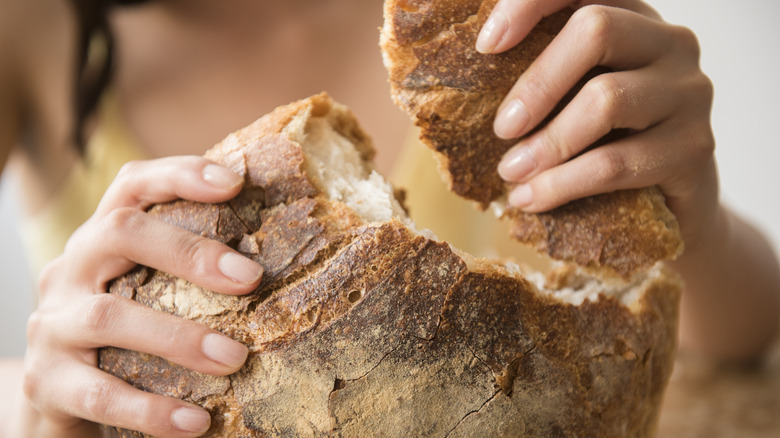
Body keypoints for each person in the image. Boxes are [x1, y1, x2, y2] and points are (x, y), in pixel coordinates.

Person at [0, 0, 777, 437]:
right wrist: (44, 405)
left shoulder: (500, 18)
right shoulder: (31, 27)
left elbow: (741, 344)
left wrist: (689, 217)